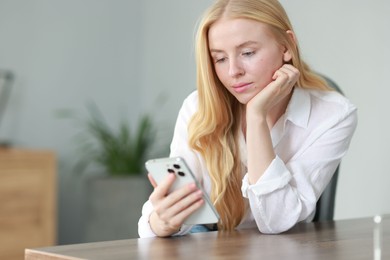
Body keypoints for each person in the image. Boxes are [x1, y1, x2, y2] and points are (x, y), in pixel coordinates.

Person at [138, 0, 357, 238]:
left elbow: (276, 221)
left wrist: (256, 117)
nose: (233, 71)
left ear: (286, 47)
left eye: (248, 53)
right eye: (220, 58)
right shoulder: (197, 107)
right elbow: (173, 213)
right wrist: (161, 222)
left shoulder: (333, 114)